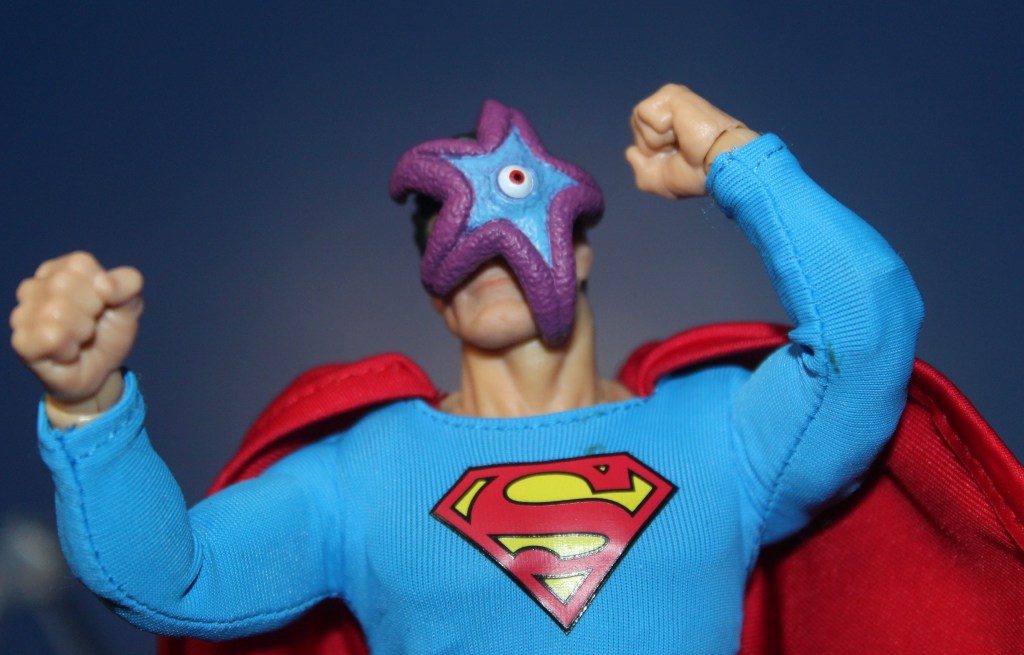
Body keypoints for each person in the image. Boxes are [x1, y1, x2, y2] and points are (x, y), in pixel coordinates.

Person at [9, 85, 923, 653]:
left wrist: (737, 160)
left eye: (515, 211)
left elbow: (868, 333)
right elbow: (169, 577)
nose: (484, 241)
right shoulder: (363, 471)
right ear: (434, 290)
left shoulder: (722, 430)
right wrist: (88, 406)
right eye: (443, 226)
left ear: (581, 249)